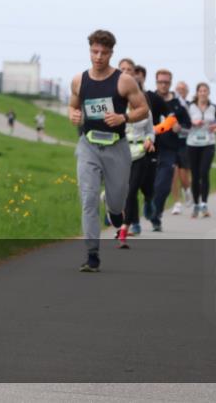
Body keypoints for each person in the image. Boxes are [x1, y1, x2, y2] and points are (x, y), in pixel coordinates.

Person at [68, 30, 148, 272]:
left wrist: (124, 117)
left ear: (111, 53)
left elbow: (142, 109)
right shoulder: (79, 80)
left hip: (116, 147)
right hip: (88, 146)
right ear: (90, 50)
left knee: (117, 199)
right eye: (94, 51)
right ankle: (92, 254)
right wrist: (73, 115)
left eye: (103, 52)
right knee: (88, 198)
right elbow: (72, 106)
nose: (98, 56)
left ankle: (114, 211)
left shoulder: (124, 81)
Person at [118, 60, 157, 242]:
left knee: (132, 190)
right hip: (119, 151)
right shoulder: (114, 101)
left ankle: (126, 228)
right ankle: (115, 211)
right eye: (122, 69)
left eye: (129, 70)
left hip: (140, 151)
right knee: (120, 191)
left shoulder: (143, 101)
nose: (126, 72)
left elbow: (150, 129)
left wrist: (149, 140)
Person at [147, 69, 190, 232]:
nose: (163, 85)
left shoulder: (178, 104)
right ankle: (146, 207)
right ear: (156, 82)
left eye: (166, 82)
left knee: (164, 185)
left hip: (170, 149)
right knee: (148, 183)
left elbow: (188, 126)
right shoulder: (149, 98)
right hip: (149, 146)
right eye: (161, 82)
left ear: (170, 83)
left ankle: (156, 215)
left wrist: (180, 128)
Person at [186, 82, 216, 218]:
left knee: (204, 172)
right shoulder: (190, 107)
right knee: (195, 175)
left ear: (208, 93)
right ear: (197, 93)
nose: (203, 93)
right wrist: (192, 122)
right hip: (192, 143)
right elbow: (183, 122)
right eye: (200, 91)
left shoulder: (214, 108)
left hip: (208, 143)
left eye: (205, 91)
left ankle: (204, 204)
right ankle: (196, 205)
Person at [172, 80, 193, 213]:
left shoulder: (191, 106)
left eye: (183, 89)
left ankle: (187, 190)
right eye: (178, 89)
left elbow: (193, 127)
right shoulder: (170, 104)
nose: (180, 91)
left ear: (187, 92)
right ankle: (177, 203)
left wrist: (181, 129)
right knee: (173, 173)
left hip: (186, 143)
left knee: (183, 174)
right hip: (171, 143)